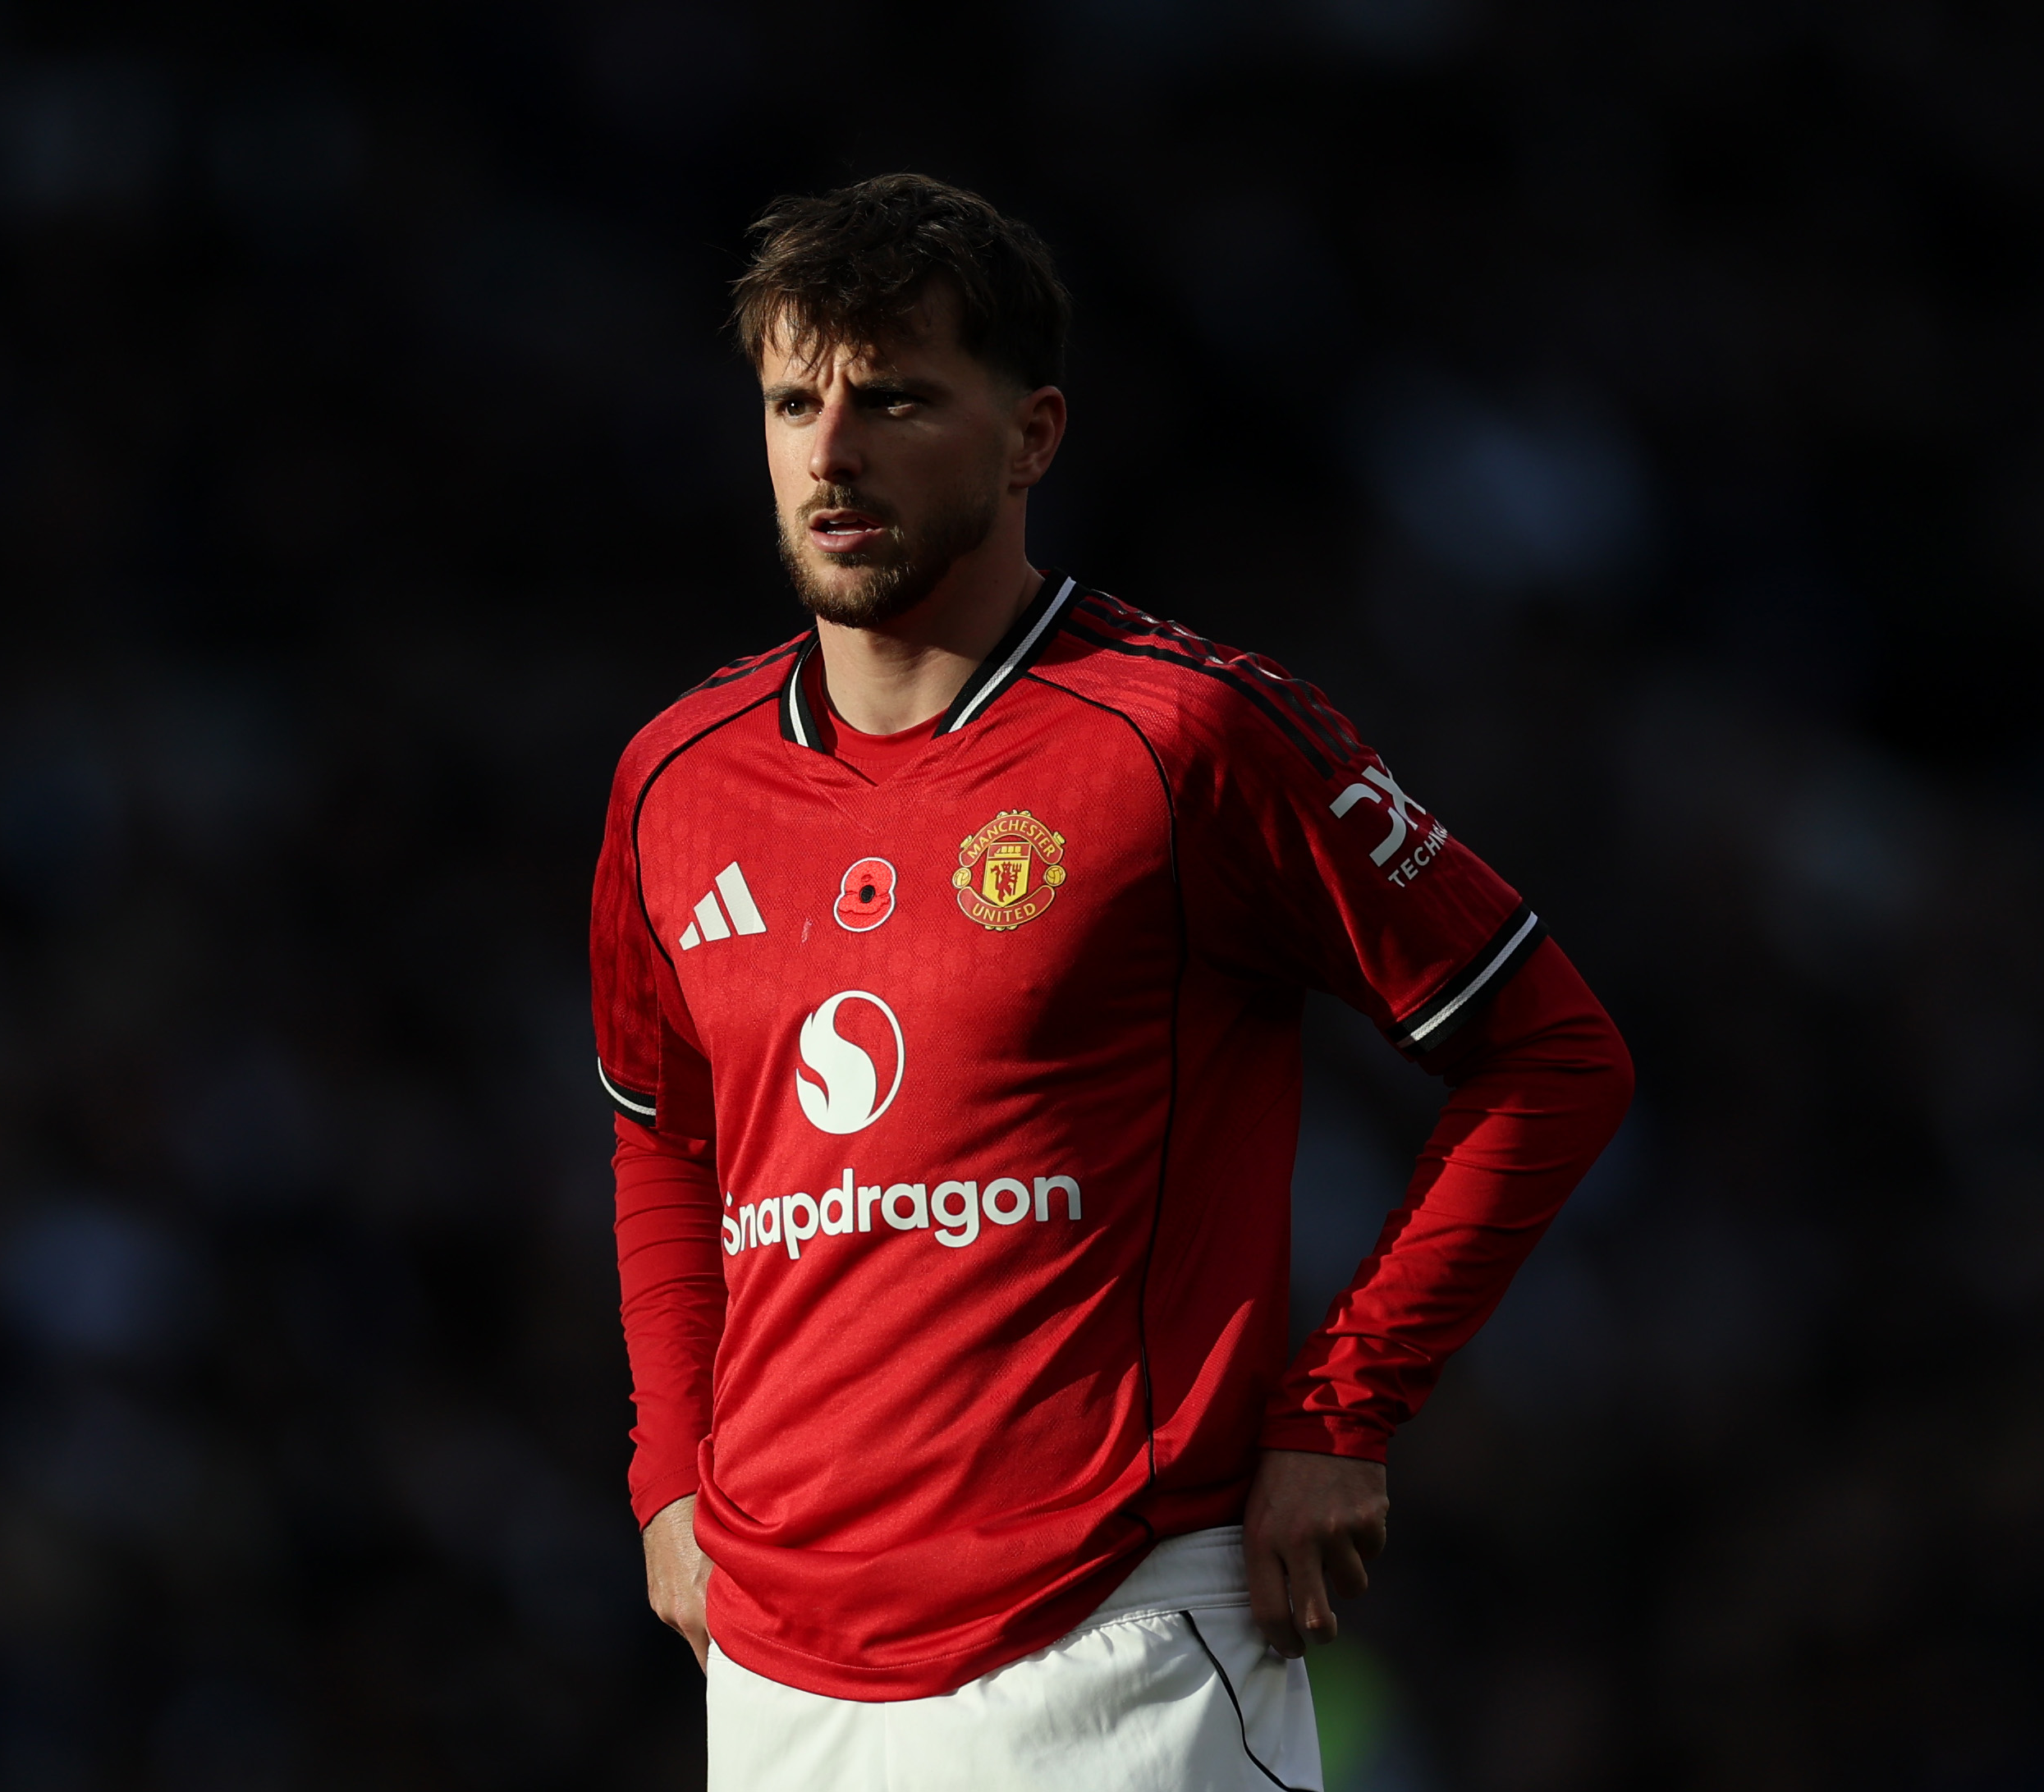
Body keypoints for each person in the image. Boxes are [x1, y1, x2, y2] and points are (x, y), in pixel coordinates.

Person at [589, 173, 1634, 1790]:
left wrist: (1339, 1410)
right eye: (796, 399)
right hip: (781, 1672)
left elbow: (1553, 1054)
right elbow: (663, 1129)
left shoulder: (1190, 738)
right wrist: (669, 1473)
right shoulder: (676, 777)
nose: (832, 448)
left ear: (1032, 436)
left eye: (897, 397)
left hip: (1116, 1642)